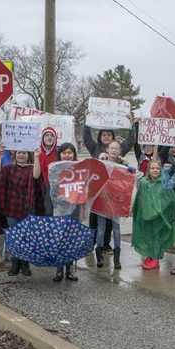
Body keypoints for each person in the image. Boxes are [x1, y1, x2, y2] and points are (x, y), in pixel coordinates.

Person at [83, 117, 136, 252]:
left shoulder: (118, 150)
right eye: (104, 134)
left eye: (109, 134)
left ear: (113, 137)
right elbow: (87, 137)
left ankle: (105, 244)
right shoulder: (94, 148)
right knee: (94, 218)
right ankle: (91, 243)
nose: (106, 137)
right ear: (100, 137)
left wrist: (131, 123)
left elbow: (130, 140)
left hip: (113, 191)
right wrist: (87, 120)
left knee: (108, 220)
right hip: (97, 190)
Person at [0, 147, 36, 277]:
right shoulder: (8, 168)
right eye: (19, 152)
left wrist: (38, 157)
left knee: (24, 237)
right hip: (11, 208)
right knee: (13, 236)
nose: (21, 155)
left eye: (24, 152)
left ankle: (25, 263)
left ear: (28, 155)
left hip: (26, 208)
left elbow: (37, 175)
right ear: (15, 155)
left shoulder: (31, 168)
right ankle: (15, 263)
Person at [95, 140, 136, 270]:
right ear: (107, 150)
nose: (113, 150)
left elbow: (129, 180)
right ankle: (99, 255)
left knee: (117, 230)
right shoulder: (101, 161)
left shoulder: (124, 164)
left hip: (117, 202)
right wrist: (99, 160)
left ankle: (117, 257)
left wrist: (131, 171)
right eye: (111, 148)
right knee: (100, 229)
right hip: (102, 201)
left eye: (116, 148)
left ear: (119, 151)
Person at [131, 159, 175, 270]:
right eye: (152, 168)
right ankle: (150, 256)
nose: (155, 170)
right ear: (148, 170)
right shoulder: (143, 182)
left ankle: (155, 259)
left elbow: (170, 199)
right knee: (147, 237)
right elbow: (140, 198)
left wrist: (159, 211)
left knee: (157, 237)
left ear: (161, 170)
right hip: (146, 216)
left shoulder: (164, 182)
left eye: (157, 168)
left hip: (159, 216)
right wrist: (138, 211)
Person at [51, 142, 80, 282]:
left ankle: (70, 269)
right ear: (60, 154)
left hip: (74, 209)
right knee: (59, 239)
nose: (67, 155)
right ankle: (58, 269)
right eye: (64, 152)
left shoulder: (80, 168)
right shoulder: (54, 169)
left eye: (70, 152)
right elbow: (53, 190)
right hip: (59, 208)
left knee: (71, 240)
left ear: (74, 154)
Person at [36, 127, 58, 215]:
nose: (49, 137)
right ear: (42, 138)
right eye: (47, 135)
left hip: (55, 191)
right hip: (40, 191)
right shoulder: (37, 153)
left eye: (52, 135)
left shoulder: (59, 153)